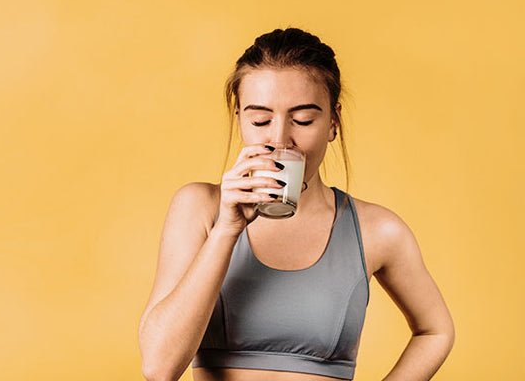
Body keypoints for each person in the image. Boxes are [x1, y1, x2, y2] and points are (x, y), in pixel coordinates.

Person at [138, 27, 454, 381]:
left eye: (303, 120)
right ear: (239, 117)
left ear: (333, 123)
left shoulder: (376, 229)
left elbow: (436, 331)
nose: (279, 139)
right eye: (260, 119)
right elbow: (158, 368)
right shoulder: (199, 208)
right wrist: (228, 229)